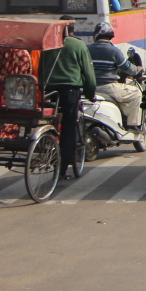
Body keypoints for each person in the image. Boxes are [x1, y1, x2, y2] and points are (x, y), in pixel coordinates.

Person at [42, 17, 97, 179]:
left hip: (48, 91)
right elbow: (88, 75)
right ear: (73, 29)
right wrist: (89, 93)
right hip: (70, 92)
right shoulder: (78, 45)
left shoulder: (48, 44)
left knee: (47, 122)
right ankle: (63, 168)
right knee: (68, 128)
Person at [86, 22, 143, 127]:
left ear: (96, 35)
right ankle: (133, 126)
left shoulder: (86, 49)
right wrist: (138, 69)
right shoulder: (114, 51)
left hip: (88, 88)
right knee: (136, 93)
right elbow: (128, 69)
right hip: (108, 88)